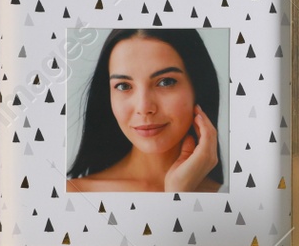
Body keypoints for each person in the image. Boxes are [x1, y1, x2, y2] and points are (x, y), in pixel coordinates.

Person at [66, 28, 224, 192]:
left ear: (198, 88)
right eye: (123, 86)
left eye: (166, 82)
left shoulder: (231, 199)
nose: (144, 108)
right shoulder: (74, 193)